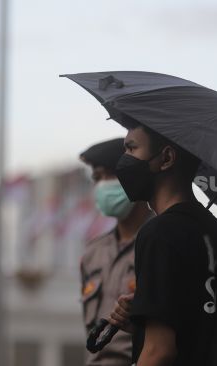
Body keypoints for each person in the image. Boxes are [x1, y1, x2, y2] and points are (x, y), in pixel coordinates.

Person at [107, 120, 216, 365]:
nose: (123, 161)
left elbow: (159, 353)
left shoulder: (160, 233)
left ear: (166, 158)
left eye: (132, 149)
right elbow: (198, 330)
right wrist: (148, 316)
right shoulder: (210, 228)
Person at [79, 138, 152, 365]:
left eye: (106, 176)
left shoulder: (161, 242)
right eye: (96, 179)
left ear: (130, 176)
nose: (100, 186)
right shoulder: (93, 253)